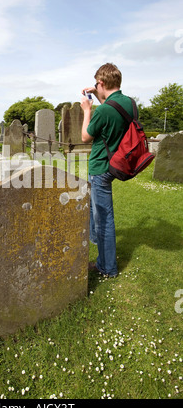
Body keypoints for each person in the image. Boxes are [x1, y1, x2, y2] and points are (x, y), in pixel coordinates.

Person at [80, 63, 136, 278]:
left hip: (101, 167)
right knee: (96, 211)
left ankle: (107, 267)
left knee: (104, 217)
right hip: (118, 163)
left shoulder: (102, 110)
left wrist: (87, 110)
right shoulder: (129, 103)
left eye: (97, 84)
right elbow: (114, 112)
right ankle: (96, 241)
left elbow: (85, 136)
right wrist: (99, 95)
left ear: (101, 83)